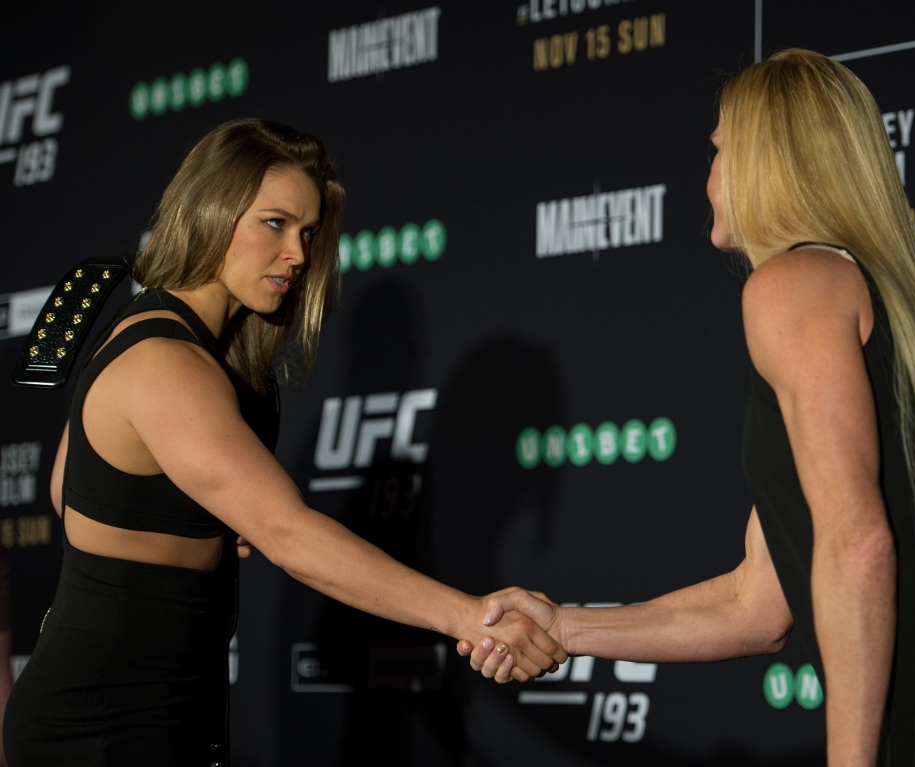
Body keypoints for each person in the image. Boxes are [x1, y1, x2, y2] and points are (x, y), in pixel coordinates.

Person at [461, 49, 915, 766]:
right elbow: (755, 606)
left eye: (720, 149)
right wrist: (564, 628)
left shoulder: (790, 284)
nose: (710, 175)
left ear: (764, 160)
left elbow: (857, 543)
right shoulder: (851, 289)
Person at [2, 118, 565, 766]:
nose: (297, 254)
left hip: (172, 712)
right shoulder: (167, 360)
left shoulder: (185, 344)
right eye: (274, 223)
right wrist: (468, 616)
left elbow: (63, 486)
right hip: (96, 728)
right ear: (211, 211)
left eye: (307, 232)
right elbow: (289, 534)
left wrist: (199, 510)